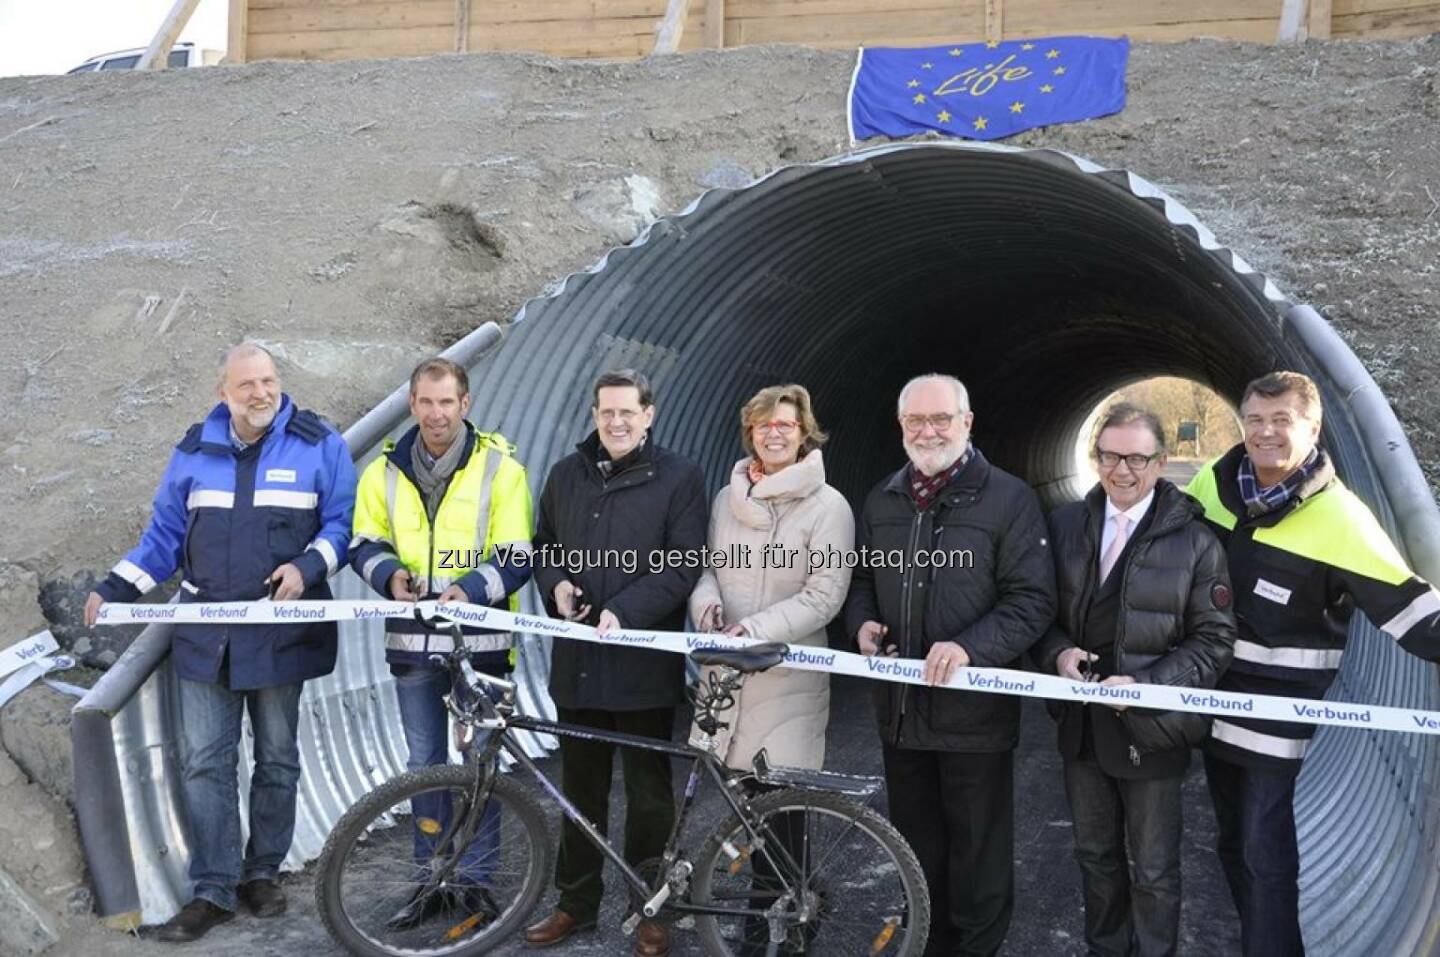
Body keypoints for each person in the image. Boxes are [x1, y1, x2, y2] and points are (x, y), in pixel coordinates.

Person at [83, 343, 356, 942]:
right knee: (206, 762)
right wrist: (113, 587)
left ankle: (262, 874)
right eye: (247, 385)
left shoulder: (319, 445)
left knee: (277, 759)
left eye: (268, 381)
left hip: (283, 633)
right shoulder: (193, 454)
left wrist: (307, 567)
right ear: (223, 393)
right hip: (208, 637)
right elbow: (163, 538)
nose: (261, 393)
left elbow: (343, 525)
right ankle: (213, 889)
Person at [1186, 370, 1440, 956]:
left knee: (1263, 853)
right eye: (1254, 420)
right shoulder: (1210, 485)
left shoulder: (1340, 519)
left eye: (1282, 421)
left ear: (1313, 427)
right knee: (1230, 845)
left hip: (1274, 723)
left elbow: (1416, 614)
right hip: (1204, 706)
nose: (1266, 433)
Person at [844, 373, 1056, 957]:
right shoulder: (882, 498)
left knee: (977, 855)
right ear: (901, 427)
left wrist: (969, 647)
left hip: (974, 717)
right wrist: (861, 622)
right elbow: (861, 579)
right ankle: (928, 945)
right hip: (901, 713)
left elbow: (1032, 600)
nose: (929, 430)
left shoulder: (1008, 499)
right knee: (916, 850)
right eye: (916, 421)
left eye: (941, 419)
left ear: (967, 423)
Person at [1035, 403, 1235, 956]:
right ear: (1094, 457)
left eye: (1137, 458)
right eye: (1109, 456)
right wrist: (1056, 654)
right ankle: (1105, 949)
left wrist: (1147, 687)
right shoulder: (1066, 524)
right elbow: (1037, 613)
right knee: (1094, 857)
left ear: (1161, 461)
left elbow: (1214, 640)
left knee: (1152, 869)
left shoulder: (1197, 542)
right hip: (1082, 725)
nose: (1122, 470)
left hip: (1152, 726)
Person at [523, 369, 708, 957]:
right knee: (580, 792)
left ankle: (649, 909)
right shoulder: (565, 474)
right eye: (607, 412)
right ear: (595, 414)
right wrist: (556, 587)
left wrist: (623, 613)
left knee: (650, 797)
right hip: (577, 662)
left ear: (649, 414)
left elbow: (684, 564)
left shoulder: (679, 477)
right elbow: (544, 543)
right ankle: (575, 904)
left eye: (629, 412)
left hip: (641, 668)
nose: (618, 422)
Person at [349, 357, 533, 928]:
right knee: (422, 764)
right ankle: (431, 879)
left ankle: (476, 882)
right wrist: (390, 578)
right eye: (426, 403)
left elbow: (517, 556)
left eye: (446, 402)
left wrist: (467, 590)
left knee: (480, 764)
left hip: (482, 644)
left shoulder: (502, 471)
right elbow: (364, 542)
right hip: (412, 643)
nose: (436, 414)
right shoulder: (382, 472)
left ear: (465, 404)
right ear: (412, 405)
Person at [688, 384, 854, 955]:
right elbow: (710, 570)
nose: (775, 433)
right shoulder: (724, 499)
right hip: (729, 680)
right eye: (764, 425)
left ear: (805, 431)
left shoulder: (829, 507)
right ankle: (757, 929)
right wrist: (705, 604)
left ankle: (785, 931)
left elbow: (824, 596)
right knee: (743, 812)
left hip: (786, 683)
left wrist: (754, 629)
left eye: (786, 424)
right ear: (750, 432)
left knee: (782, 818)